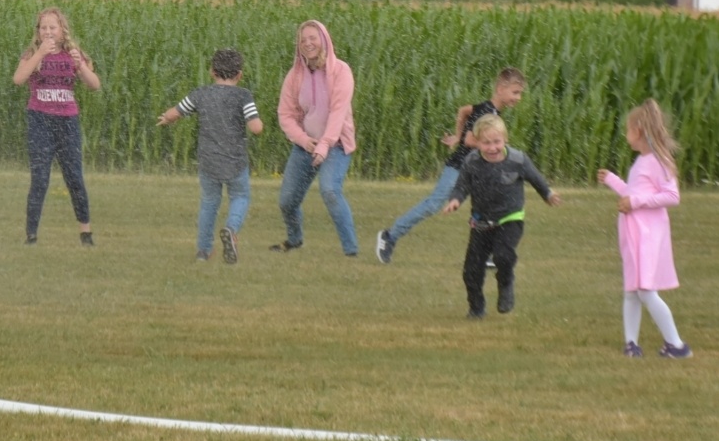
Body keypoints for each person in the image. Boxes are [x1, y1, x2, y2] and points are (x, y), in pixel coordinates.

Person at [377, 67, 526, 264]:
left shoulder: (488, 109)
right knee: (433, 204)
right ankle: (389, 236)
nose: (518, 98)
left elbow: (464, 110)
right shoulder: (488, 113)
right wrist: (497, 146)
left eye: (520, 93)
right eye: (515, 92)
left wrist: (458, 135)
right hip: (459, 167)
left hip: (475, 170)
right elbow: (470, 140)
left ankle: (490, 253)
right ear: (500, 89)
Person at [443, 114, 562, 318]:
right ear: (477, 142)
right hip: (481, 222)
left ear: (505, 139)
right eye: (486, 143)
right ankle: (476, 309)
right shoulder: (472, 162)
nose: (492, 148)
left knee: (503, 256)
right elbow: (462, 186)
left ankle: (506, 283)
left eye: (496, 142)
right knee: (471, 270)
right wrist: (455, 200)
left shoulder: (518, 160)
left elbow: (536, 179)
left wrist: (548, 194)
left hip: (510, 218)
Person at [597, 99, 690, 358]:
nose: (625, 134)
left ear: (637, 131)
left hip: (647, 235)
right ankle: (631, 343)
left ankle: (676, 344)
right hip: (632, 234)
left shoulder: (659, 162)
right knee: (632, 290)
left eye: (627, 129)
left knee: (646, 291)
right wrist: (614, 181)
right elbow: (634, 192)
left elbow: (671, 196)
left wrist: (635, 202)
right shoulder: (641, 161)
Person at [157, 48, 264, 262]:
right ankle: (231, 229)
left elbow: (176, 112)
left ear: (212, 72)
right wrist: (258, 123)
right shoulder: (243, 96)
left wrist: (167, 118)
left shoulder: (201, 94)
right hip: (235, 162)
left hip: (208, 161)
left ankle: (203, 251)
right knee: (240, 197)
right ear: (240, 75)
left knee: (209, 203)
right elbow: (256, 128)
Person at [13, 7, 101, 246]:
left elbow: (94, 85)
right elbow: (18, 79)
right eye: (43, 28)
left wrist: (81, 66)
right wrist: (40, 53)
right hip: (39, 120)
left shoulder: (73, 53)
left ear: (62, 30)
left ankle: (86, 233)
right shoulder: (32, 53)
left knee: (74, 178)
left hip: (67, 122)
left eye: (53, 27)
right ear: (38, 31)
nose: (48, 32)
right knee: (40, 178)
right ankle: (31, 235)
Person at [270, 20, 358, 256]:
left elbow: (338, 112)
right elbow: (285, 114)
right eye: (303, 40)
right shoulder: (295, 76)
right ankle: (294, 240)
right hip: (306, 146)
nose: (308, 43)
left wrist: (325, 144)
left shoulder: (341, 71)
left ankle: (351, 251)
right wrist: (304, 140)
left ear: (324, 40)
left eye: (313, 38)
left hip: (336, 145)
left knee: (330, 191)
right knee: (287, 201)